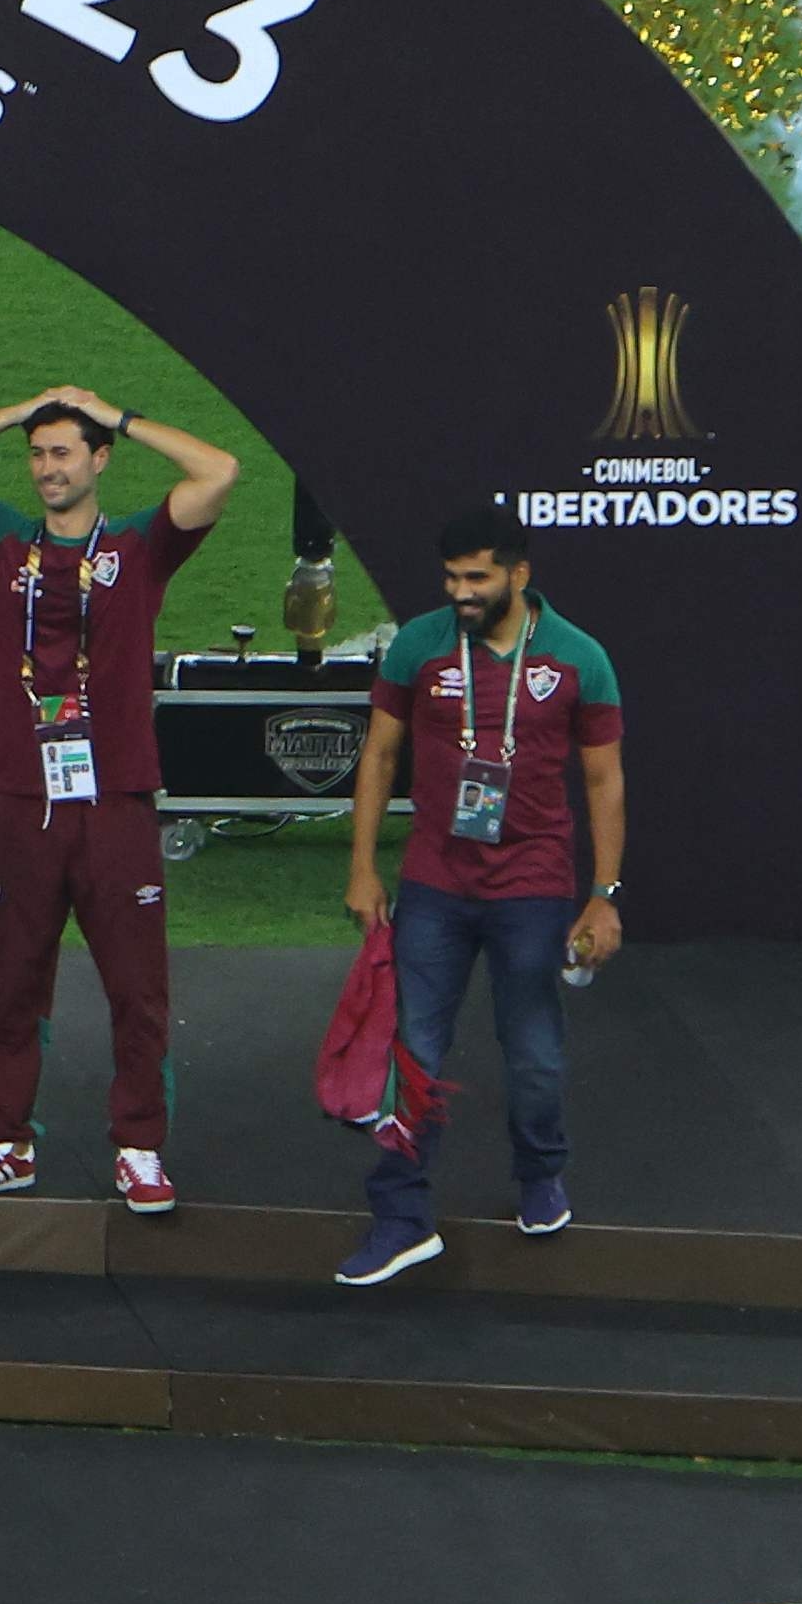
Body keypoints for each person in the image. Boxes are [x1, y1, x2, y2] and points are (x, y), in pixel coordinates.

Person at [0, 388, 241, 1216]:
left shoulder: (140, 546)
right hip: (22, 800)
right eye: (37, 454)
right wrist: (13, 414)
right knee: (13, 984)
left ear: (98, 460)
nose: (47, 468)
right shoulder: (3, 538)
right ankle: (5, 1142)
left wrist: (115, 415)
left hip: (115, 800)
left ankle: (140, 1147)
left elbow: (218, 471)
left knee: (136, 988)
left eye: (64, 452)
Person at [337, 507, 629, 1286]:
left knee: (532, 1053)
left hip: (531, 884)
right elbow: (379, 755)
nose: (460, 592)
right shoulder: (419, 646)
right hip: (433, 881)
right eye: (451, 579)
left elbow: (603, 778)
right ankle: (399, 1216)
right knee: (414, 1052)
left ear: (517, 575)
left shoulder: (576, 657)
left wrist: (602, 895)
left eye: (476, 578)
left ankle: (539, 1175)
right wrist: (362, 865)